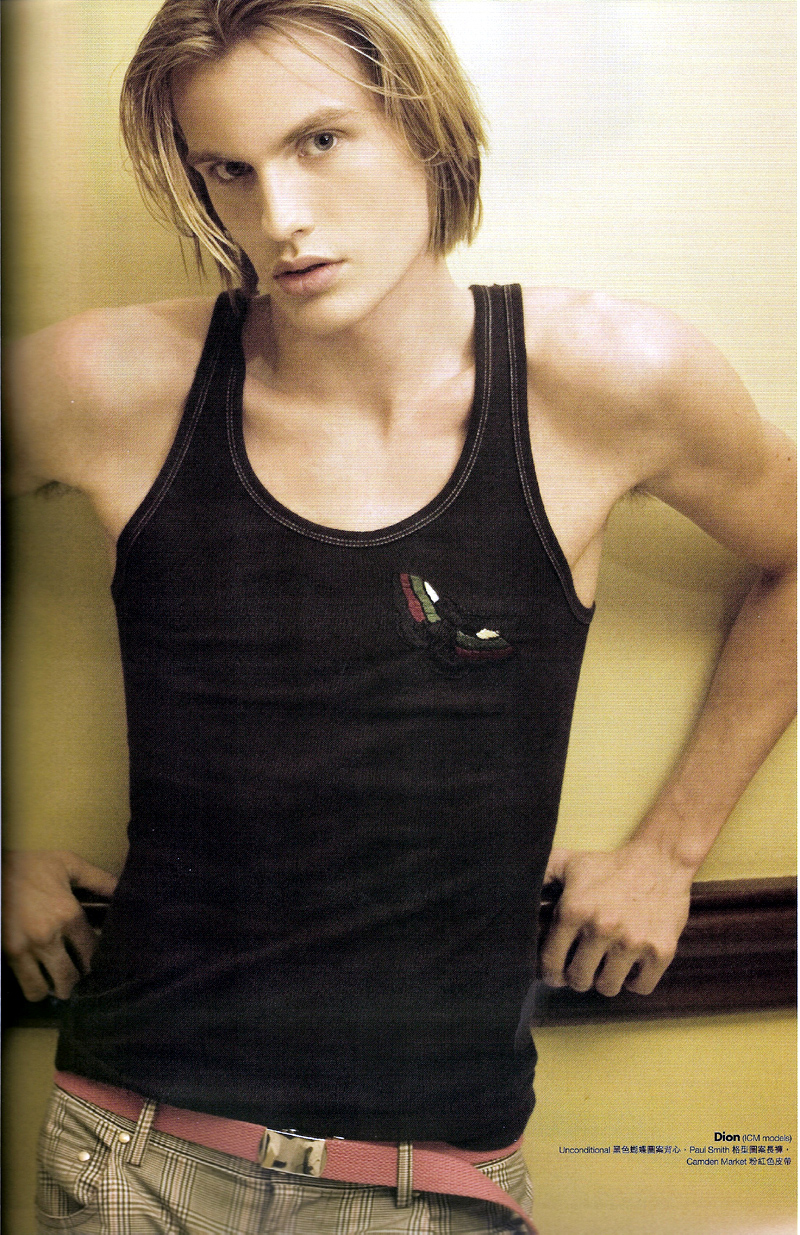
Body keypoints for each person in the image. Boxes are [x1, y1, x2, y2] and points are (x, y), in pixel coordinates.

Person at [3, 1, 795, 1232]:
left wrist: (667, 849)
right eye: (228, 171)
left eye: (319, 141)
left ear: (425, 129)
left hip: (431, 1178)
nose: (279, 215)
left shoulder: (606, 379)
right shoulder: (107, 383)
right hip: (129, 1152)